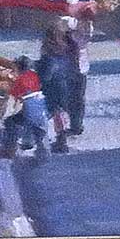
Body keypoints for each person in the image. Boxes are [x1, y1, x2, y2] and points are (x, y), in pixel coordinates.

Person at [36, 19, 75, 154]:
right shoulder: (65, 50)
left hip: (52, 88)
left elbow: (46, 74)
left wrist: (39, 76)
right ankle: (61, 139)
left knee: (53, 113)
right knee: (59, 112)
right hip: (63, 85)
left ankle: (58, 141)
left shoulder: (49, 54)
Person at [1, 56, 48, 159]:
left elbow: (13, 95)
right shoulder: (34, 75)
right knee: (32, 123)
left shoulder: (20, 80)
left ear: (18, 68)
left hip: (28, 110)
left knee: (9, 122)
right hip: (40, 107)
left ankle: (10, 149)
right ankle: (31, 143)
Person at [66, 16, 93, 136]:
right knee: (77, 99)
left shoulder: (81, 34)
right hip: (79, 70)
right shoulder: (81, 35)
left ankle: (75, 125)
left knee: (75, 99)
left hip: (76, 70)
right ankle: (76, 125)